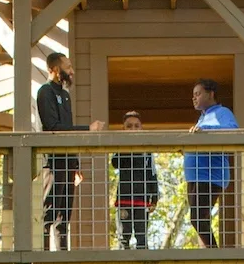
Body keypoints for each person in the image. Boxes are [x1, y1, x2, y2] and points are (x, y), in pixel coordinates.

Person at [36, 52, 103, 251]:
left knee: (64, 215)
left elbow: (67, 127)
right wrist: (87, 129)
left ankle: (62, 256)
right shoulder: (45, 92)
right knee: (49, 212)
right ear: (54, 69)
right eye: (68, 67)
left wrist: (75, 164)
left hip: (67, 161)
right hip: (53, 162)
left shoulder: (65, 95)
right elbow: (53, 126)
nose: (71, 71)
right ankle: (43, 256)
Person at [183, 79, 238, 248]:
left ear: (211, 94)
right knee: (199, 218)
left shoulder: (222, 112)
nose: (194, 98)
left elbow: (233, 130)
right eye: (193, 95)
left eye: (198, 94)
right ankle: (210, 251)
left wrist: (205, 132)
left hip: (209, 176)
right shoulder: (202, 118)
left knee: (198, 218)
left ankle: (213, 253)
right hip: (195, 177)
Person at [112, 111, 159, 249]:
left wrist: (154, 198)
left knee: (142, 236)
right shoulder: (120, 148)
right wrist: (127, 146)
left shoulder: (147, 151)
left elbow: (153, 174)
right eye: (129, 126)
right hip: (124, 200)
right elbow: (115, 162)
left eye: (136, 126)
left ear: (141, 128)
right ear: (123, 129)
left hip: (142, 200)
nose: (133, 129)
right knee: (123, 237)